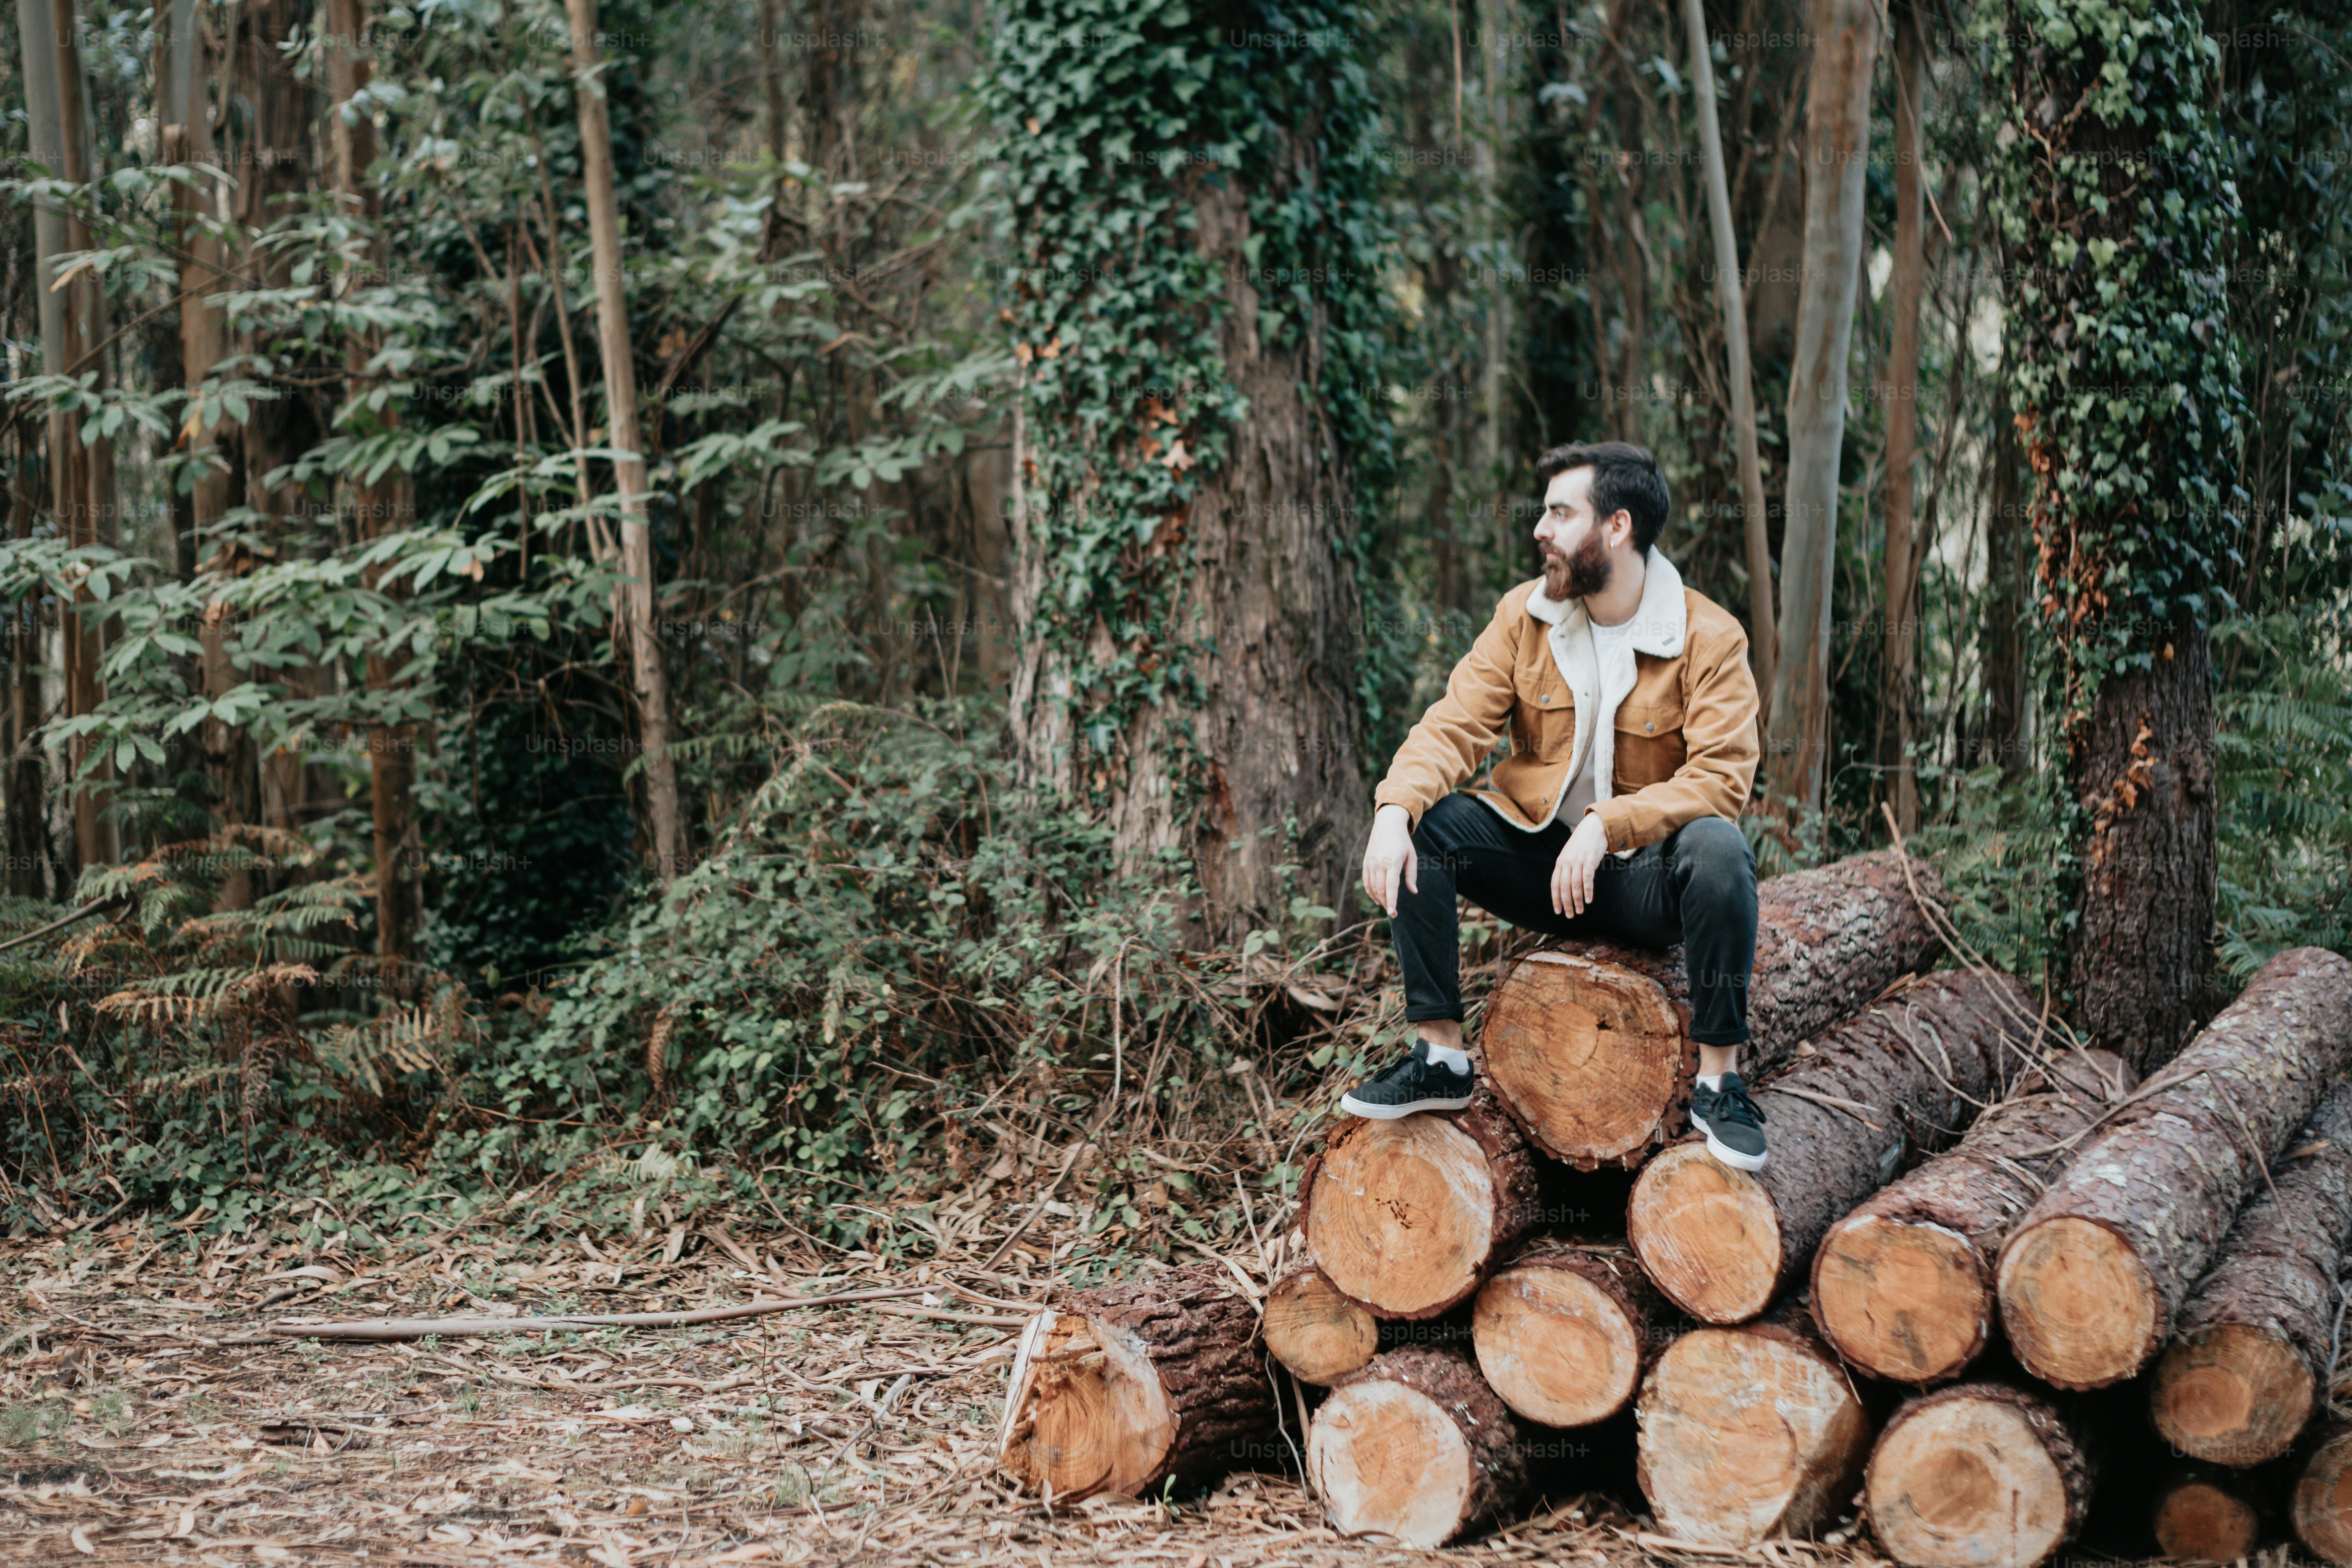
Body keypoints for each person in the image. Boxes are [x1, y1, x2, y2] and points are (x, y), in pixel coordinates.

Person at [1346, 441, 1768, 1170]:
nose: (1540, 528)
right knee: (1434, 824)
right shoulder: (1527, 617)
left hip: (1643, 880)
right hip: (1544, 870)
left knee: (1719, 847)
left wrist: (1611, 824)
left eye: (1560, 512)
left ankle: (1720, 1081)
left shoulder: (1709, 636)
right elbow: (1454, 724)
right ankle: (1441, 1057)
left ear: (1617, 527)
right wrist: (1392, 811)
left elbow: (1722, 780)